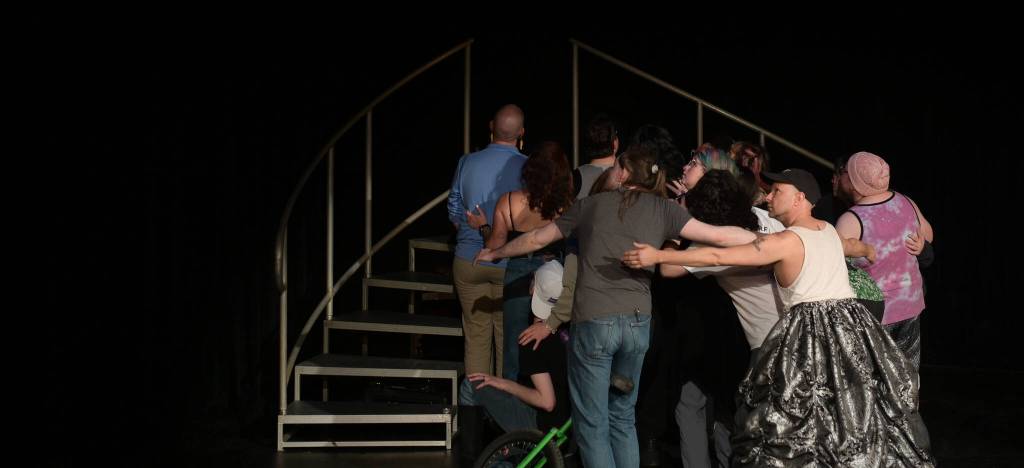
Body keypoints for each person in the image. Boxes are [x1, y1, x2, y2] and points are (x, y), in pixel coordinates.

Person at [622, 168, 933, 467]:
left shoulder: (785, 240)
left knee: (796, 424)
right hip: (852, 331)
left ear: (800, 197)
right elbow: (847, 244)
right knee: (849, 417)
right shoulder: (825, 228)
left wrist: (660, 254)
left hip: (813, 335)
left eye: (777, 192)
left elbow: (717, 255)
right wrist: (866, 249)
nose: (769, 197)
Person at [476, 149, 758, 468]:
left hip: (595, 324)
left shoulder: (590, 206)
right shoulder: (665, 210)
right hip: (637, 328)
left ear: (624, 174)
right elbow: (719, 235)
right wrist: (762, 239)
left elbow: (535, 239)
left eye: (615, 168)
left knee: (593, 426)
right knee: (623, 419)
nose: (610, 172)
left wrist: (496, 252)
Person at [465, 141, 573, 380]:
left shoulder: (508, 201)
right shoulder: (566, 207)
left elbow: (494, 247)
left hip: (517, 276)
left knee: (514, 347)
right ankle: (548, 405)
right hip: (551, 275)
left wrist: (482, 226)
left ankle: (512, 406)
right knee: (547, 342)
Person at [458, 259, 570, 461]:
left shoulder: (531, 340)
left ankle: (471, 460)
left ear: (532, 289)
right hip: (566, 426)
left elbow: (547, 402)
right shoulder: (568, 334)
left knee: (469, 385)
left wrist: (503, 383)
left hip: (541, 426)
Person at [447, 104, 527, 377]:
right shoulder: (527, 167)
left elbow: (454, 207)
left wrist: (468, 231)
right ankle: (503, 413)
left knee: (476, 338)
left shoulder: (467, 162)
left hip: (469, 259)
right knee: (507, 339)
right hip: (509, 264)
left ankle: (474, 411)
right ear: (521, 133)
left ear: (491, 127)